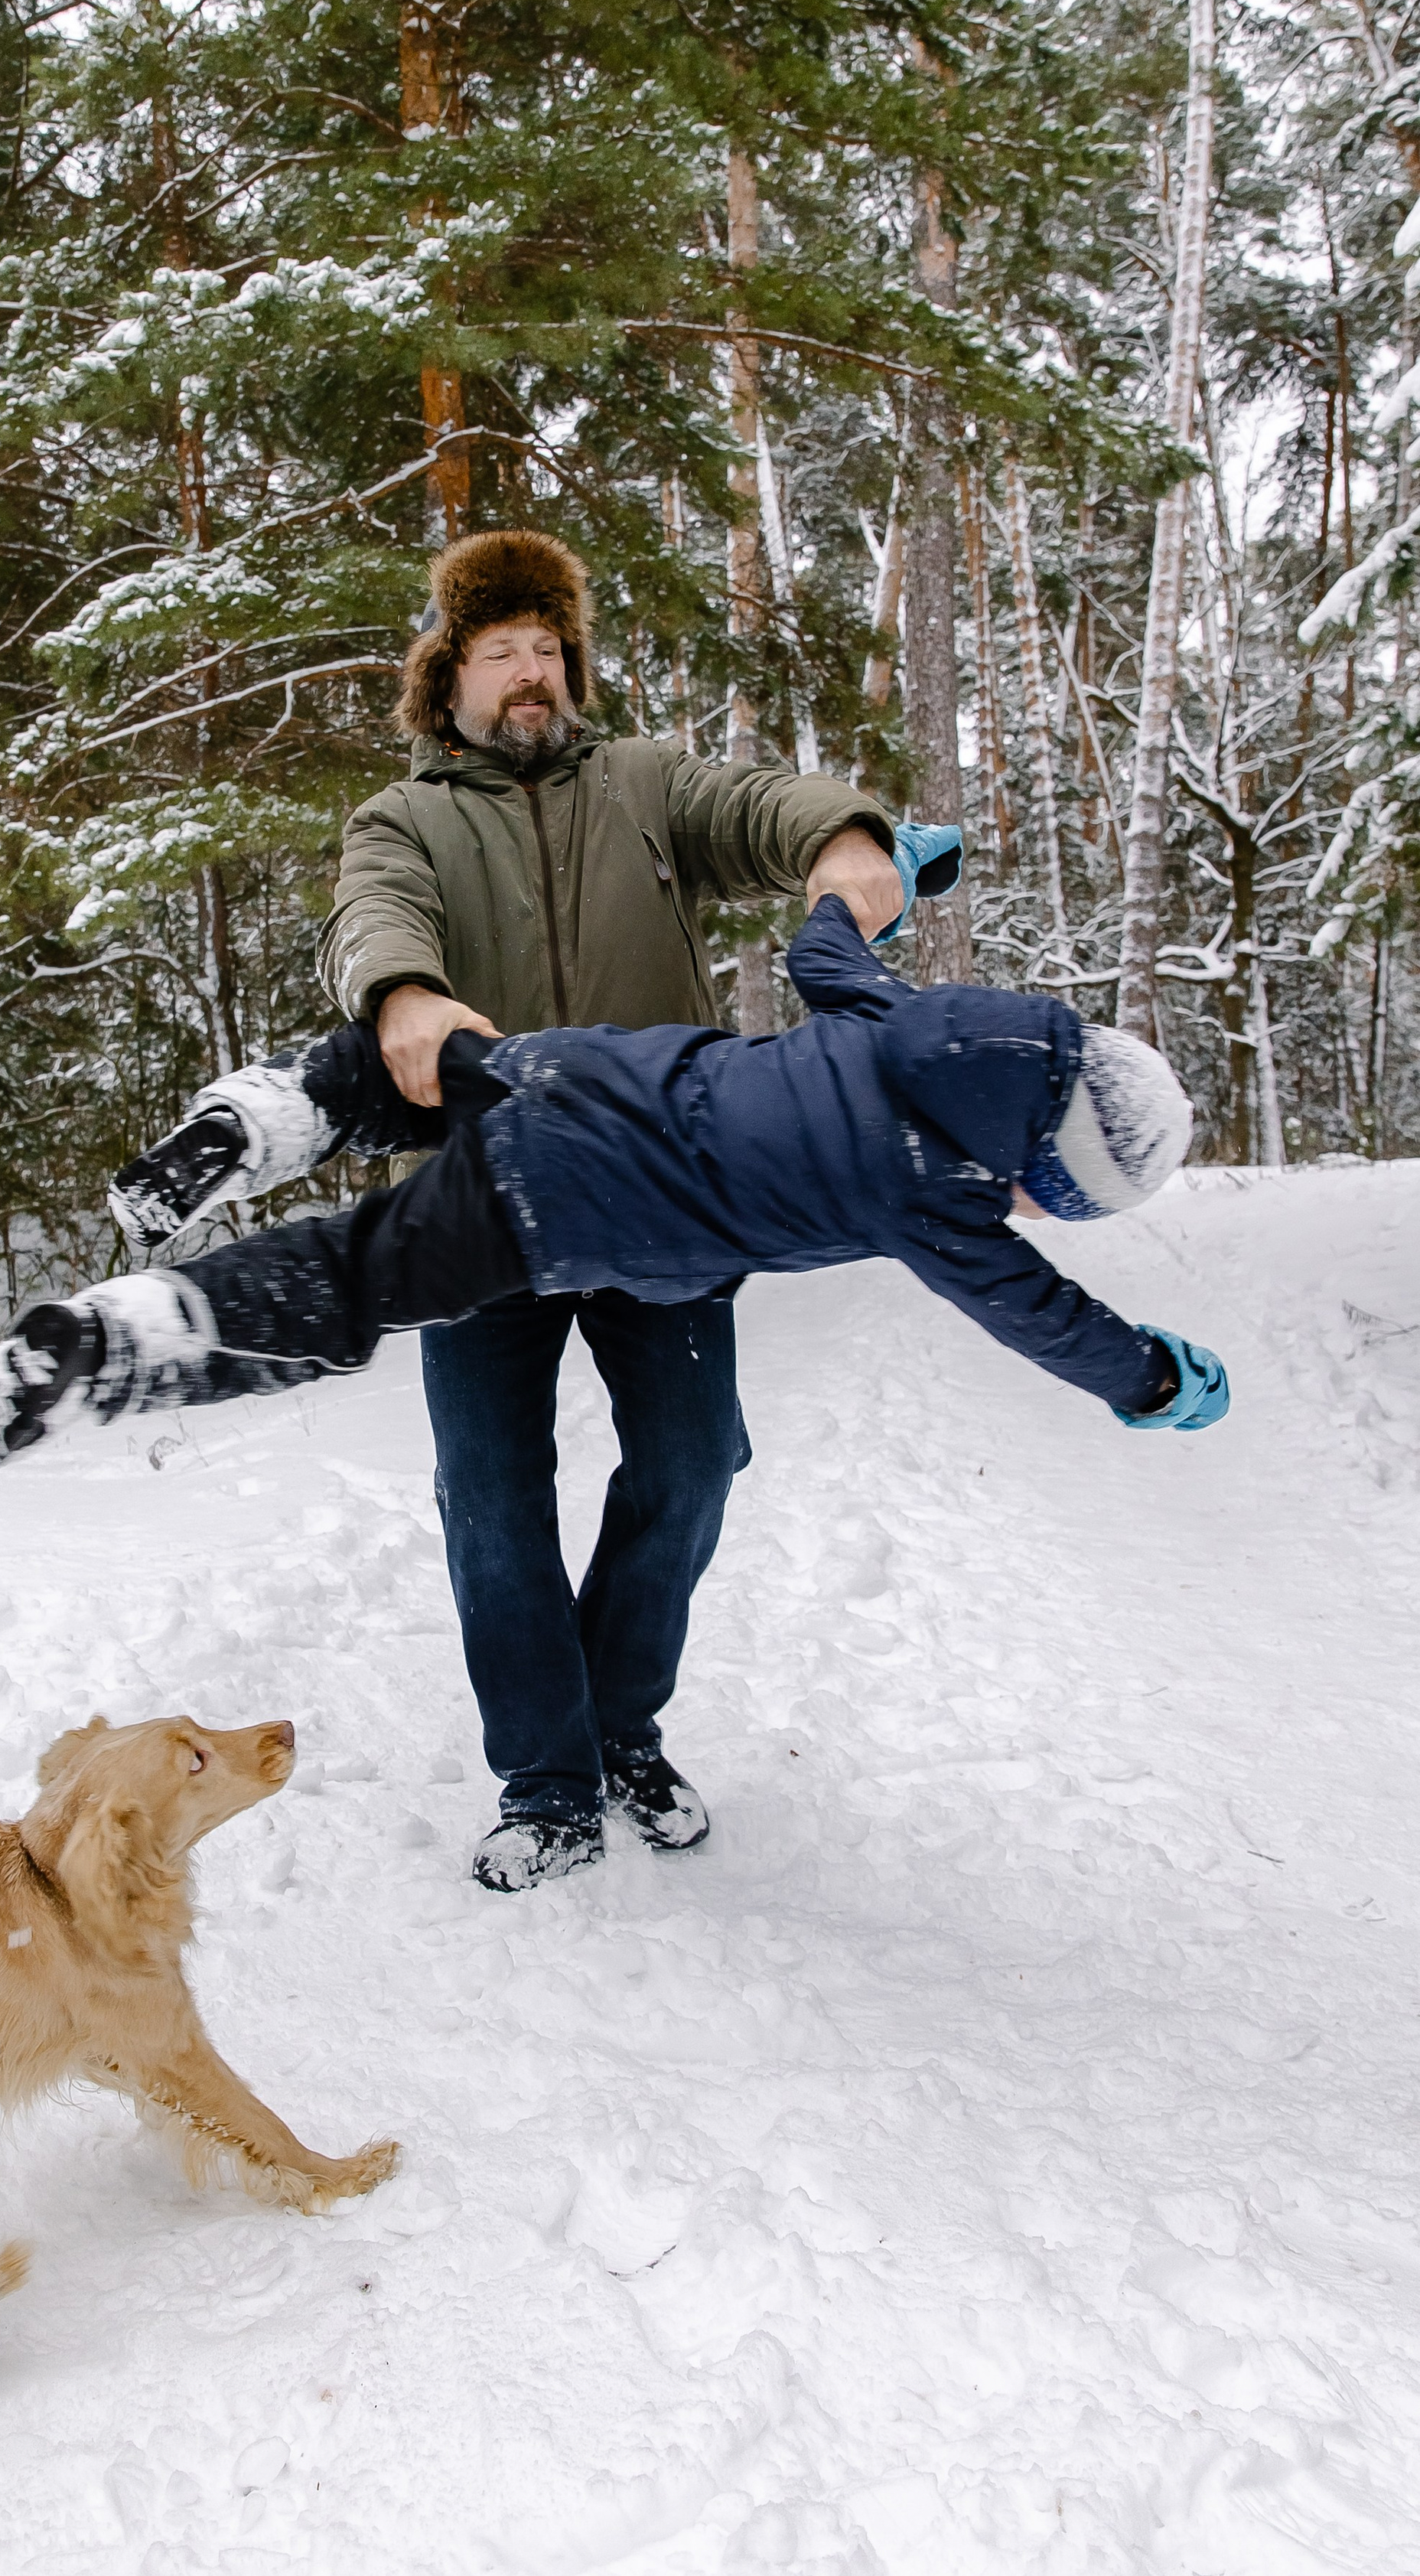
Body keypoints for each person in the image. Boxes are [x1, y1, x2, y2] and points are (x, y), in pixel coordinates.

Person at [0, 888, 1230, 1886]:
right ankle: (124, 1346)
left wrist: (885, 876)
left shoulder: (890, 1016)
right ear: (1039, 1166)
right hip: (560, 1209)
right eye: (1050, 1199)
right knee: (354, 1278)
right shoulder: (936, 1188)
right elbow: (1041, 1316)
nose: (1025, 1214)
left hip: (575, 1069)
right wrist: (1153, 1377)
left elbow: (822, 939)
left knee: (405, 1077)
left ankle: (265, 1114)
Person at [110, 527, 908, 1890]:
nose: (530, 670)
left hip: (662, 1193)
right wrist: (404, 993)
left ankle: (621, 1727)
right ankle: (546, 1780)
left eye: (548, 647)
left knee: (692, 1466)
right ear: (451, 675)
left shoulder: (647, 785)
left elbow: (759, 805)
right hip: (476, 1205)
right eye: (500, 650)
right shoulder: (403, 818)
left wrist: (842, 839)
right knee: (492, 1498)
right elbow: (373, 915)